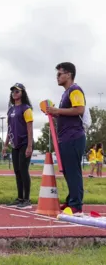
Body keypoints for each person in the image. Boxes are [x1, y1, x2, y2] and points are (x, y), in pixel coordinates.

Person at [46, 62, 86, 216]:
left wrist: (57, 110)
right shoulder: (65, 93)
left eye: (59, 74)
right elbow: (67, 113)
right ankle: (71, 201)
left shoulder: (75, 90)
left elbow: (79, 109)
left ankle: (76, 206)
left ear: (68, 74)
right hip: (65, 137)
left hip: (73, 137)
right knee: (68, 172)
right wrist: (55, 113)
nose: (57, 77)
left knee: (73, 171)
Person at [2, 83, 34, 209]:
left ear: (22, 93)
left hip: (25, 142)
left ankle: (27, 199)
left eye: (17, 91)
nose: (14, 93)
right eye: (13, 91)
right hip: (14, 144)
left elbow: (30, 127)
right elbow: (9, 128)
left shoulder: (26, 108)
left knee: (23, 170)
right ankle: (20, 198)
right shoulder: (10, 110)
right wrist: (5, 145)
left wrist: (30, 146)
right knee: (17, 171)